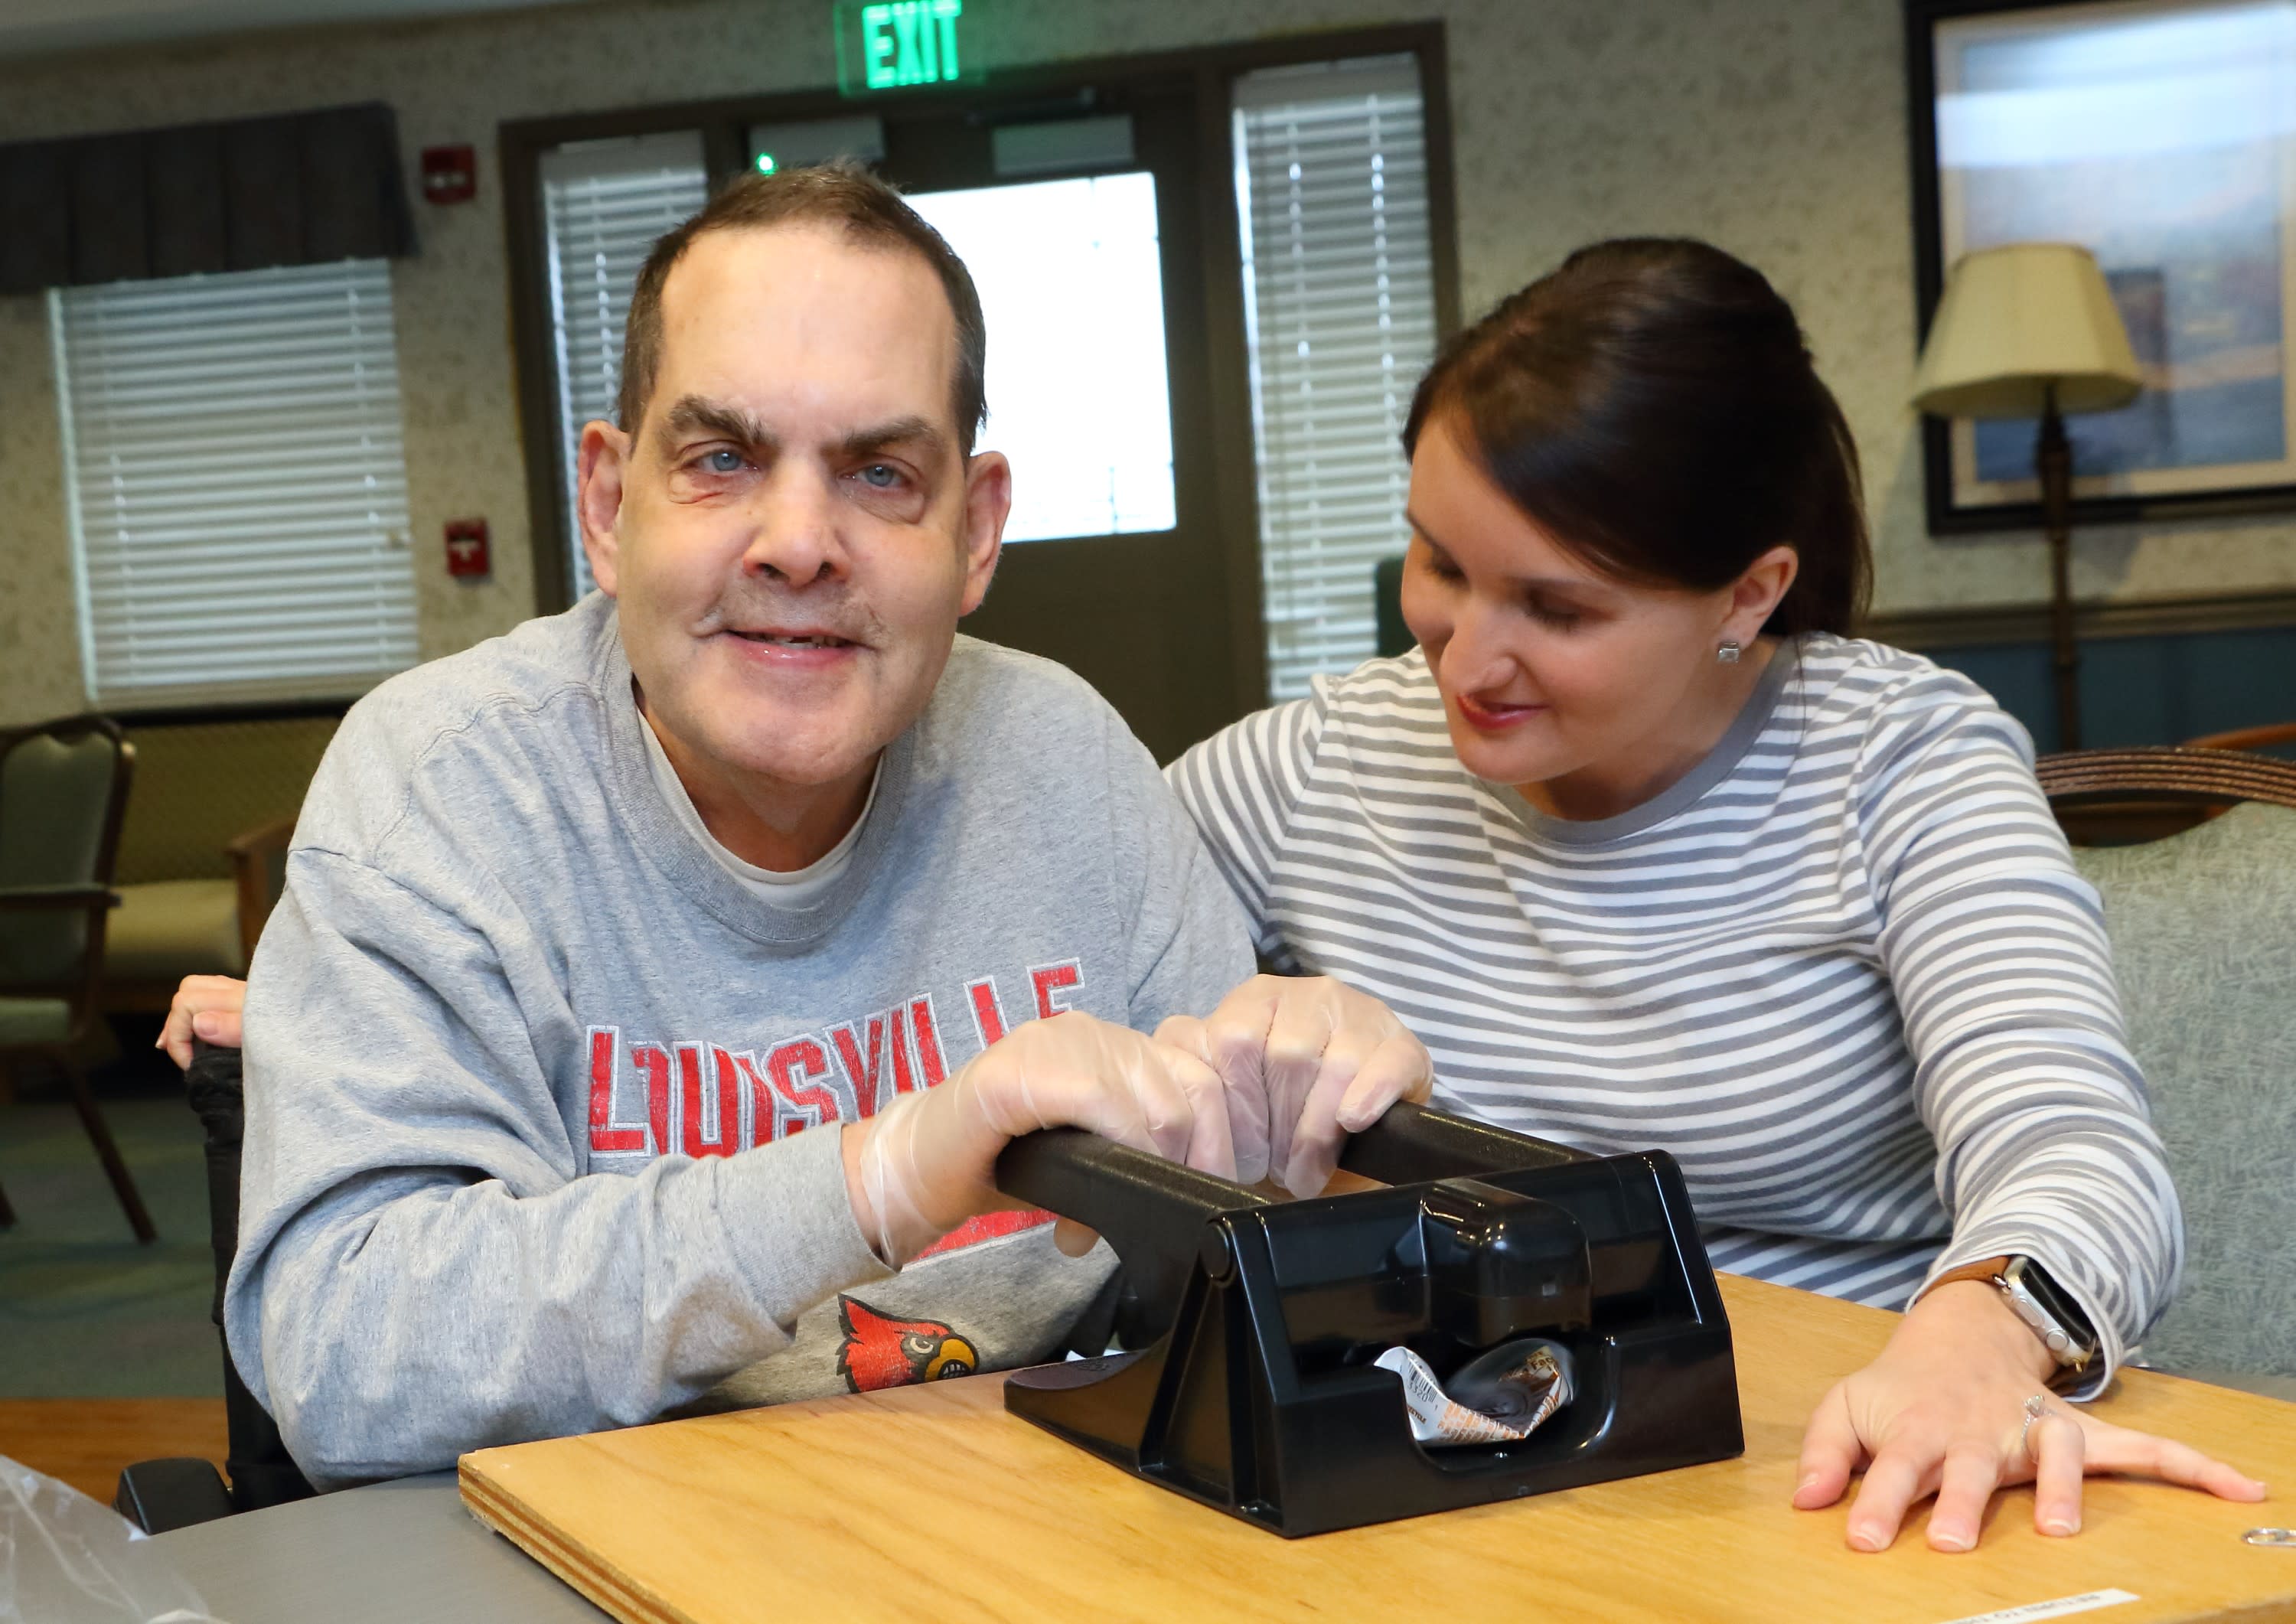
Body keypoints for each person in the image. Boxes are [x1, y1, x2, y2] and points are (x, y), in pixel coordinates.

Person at [197, 165, 1427, 1491]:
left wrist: (1326, 1147)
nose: (799, 543)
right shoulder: (438, 788)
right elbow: (349, 1357)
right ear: (611, 506)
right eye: (721, 459)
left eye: (882, 474)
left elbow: (1232, 1267)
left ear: (976, 530)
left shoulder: (1061, 757)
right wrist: (879, 1177)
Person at [1162, 237, 2267, 1553]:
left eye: (1556, 608)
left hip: (1842, 1460)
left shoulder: (1898, 760)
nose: (1465, 653)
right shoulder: (1319, 764)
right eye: (1440, 564)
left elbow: (2079, 1149)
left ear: (1750, 593)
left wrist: (1979, 1335)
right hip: (1450, 1484)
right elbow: (1062, 978)